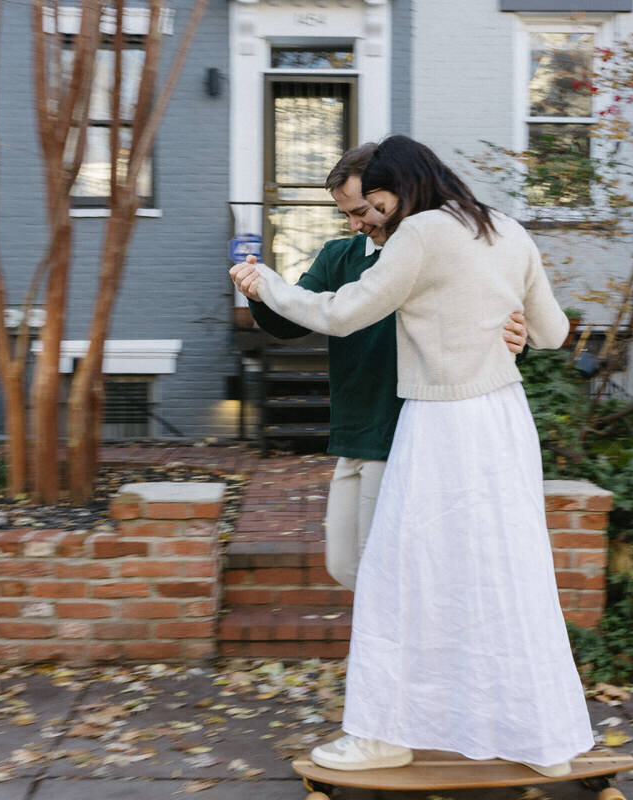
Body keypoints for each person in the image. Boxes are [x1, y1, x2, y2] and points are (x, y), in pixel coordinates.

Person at [231, 135, 594, 776]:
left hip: (439, 422)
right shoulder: (505, 227)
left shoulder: (421, 234)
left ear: (408, 185)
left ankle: (383, 735)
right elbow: (554, 331)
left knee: (397, 580)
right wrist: (509, 323)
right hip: (504, 420)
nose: (372, 217)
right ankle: (544, 739)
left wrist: (265, 283)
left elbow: (343, 313)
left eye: (376, 201)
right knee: (509, 575)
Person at [248, 142, 527, 593]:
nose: (356, 223)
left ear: (392, 195)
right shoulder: (340, 257)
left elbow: (485, 328)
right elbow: (288, 320)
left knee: (382, 574)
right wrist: (260, 292)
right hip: (355, 427)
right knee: (345, 565)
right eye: (347, 215)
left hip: (406, 430)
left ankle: (401, 655)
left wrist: (519, 340)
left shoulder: (438, 254)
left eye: (365, 209)